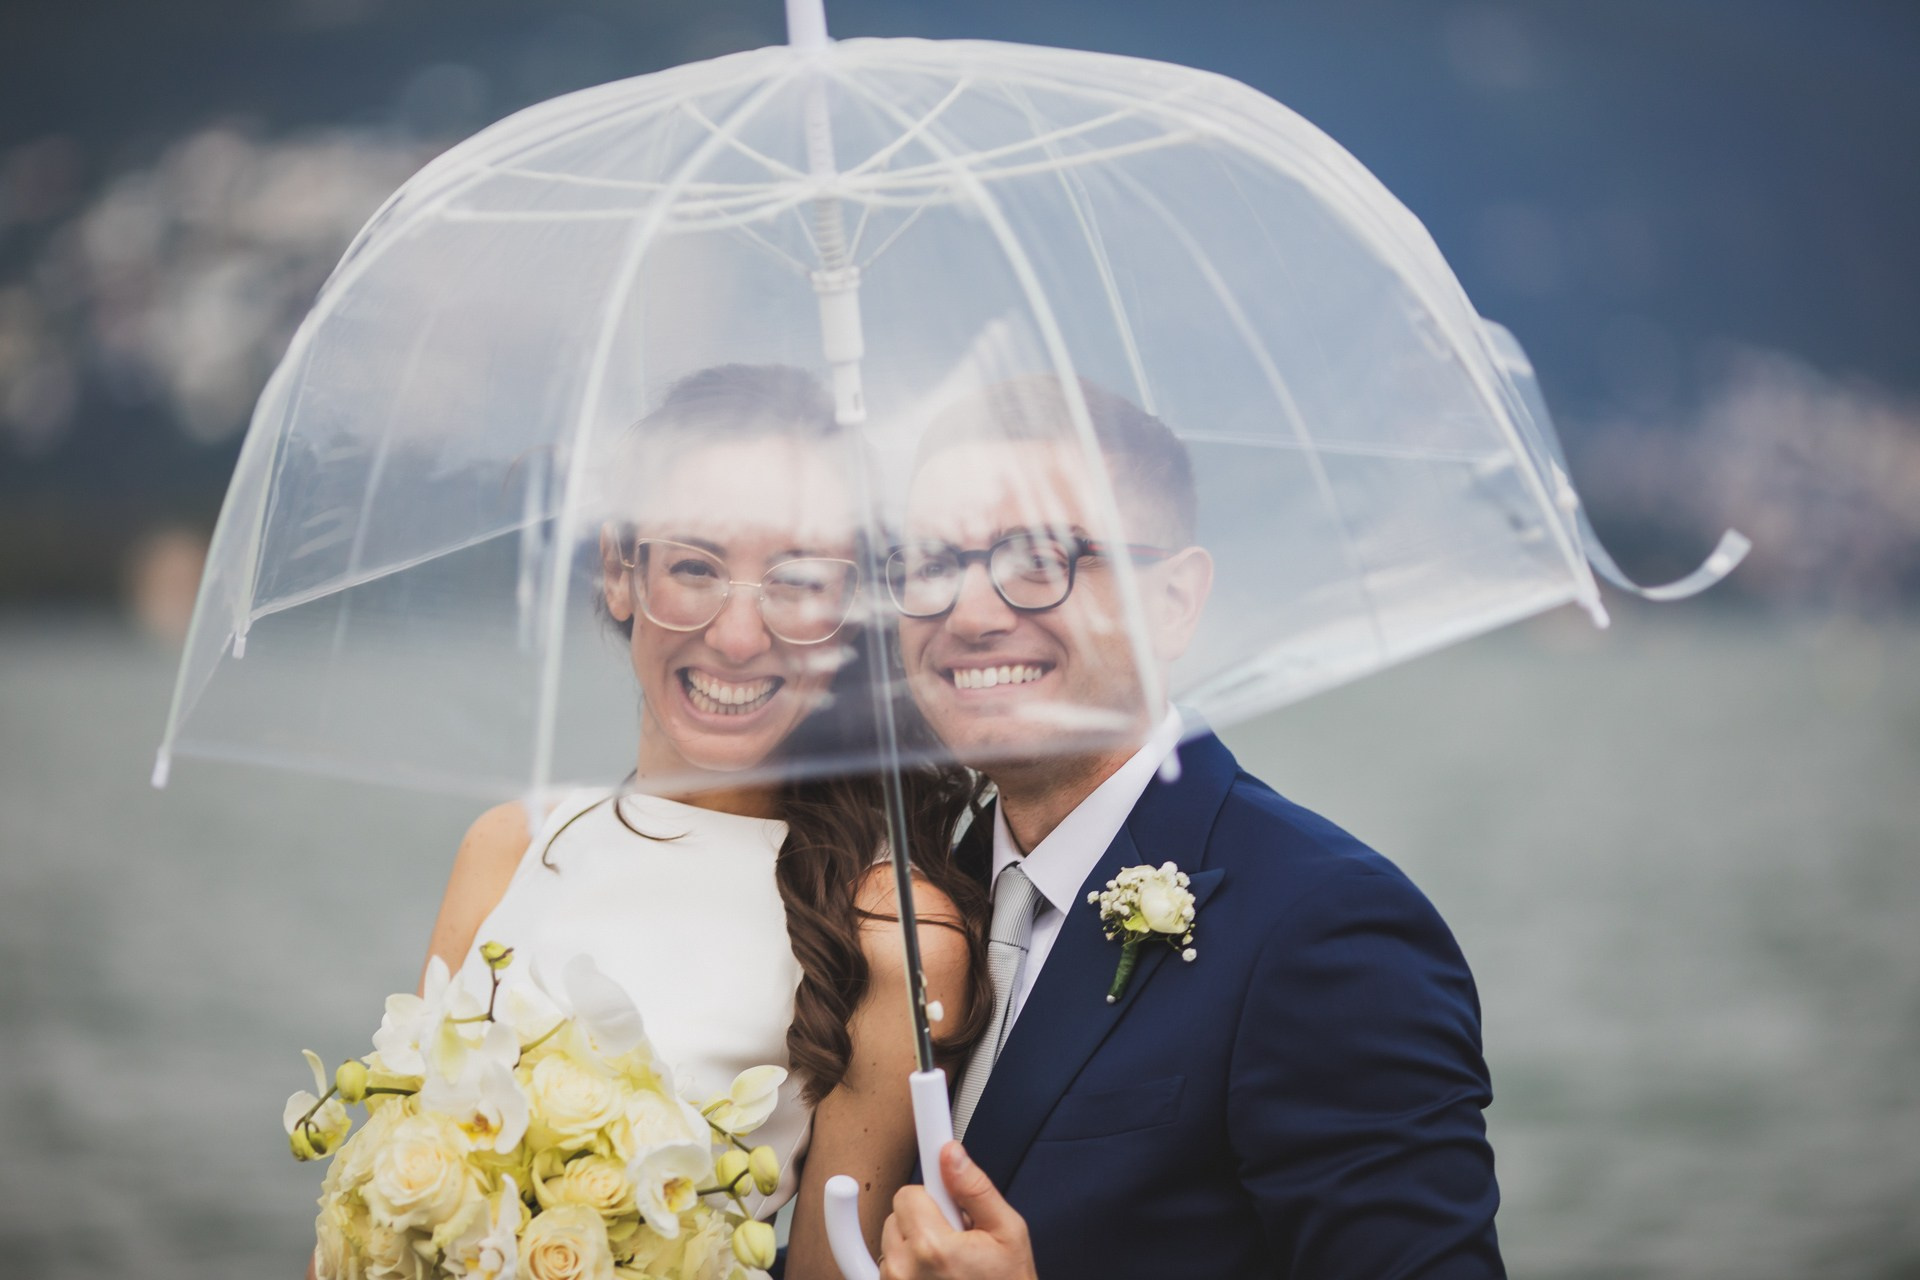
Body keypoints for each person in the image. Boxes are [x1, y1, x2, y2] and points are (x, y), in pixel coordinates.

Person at [876, 376, 1504, 1278]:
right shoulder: (909, 906)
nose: (971, 614)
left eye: (1039, 558)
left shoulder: (1325, 928)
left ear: (1172, 603)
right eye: (933, 564)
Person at [413, 364, 990, 1279]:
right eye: (695, 567)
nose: (737, 636)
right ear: (619, 571)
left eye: (798, 581)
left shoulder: (896, 935)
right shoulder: (510, 846)